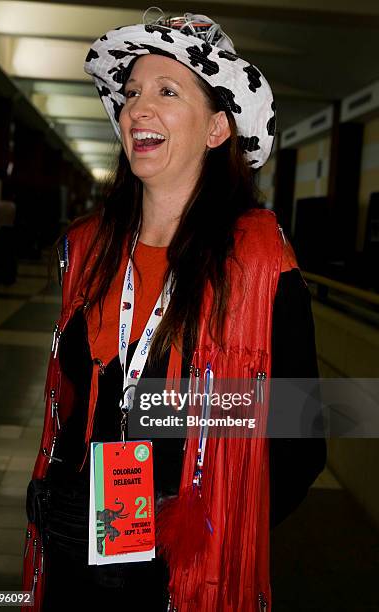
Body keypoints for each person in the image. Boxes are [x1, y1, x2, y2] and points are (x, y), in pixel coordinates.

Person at [23, 9, 326, 611]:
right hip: (77, 552)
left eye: (167, 91)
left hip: (184, 577)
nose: (137, 108)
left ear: (216, 129)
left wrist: (189, 531)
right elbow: (81, 400)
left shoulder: (261, 260)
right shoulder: (88, 247)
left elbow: (299, 442)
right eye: (132, 93)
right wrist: (57, 484)